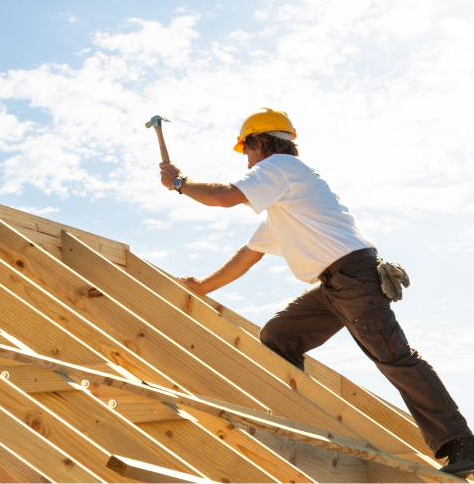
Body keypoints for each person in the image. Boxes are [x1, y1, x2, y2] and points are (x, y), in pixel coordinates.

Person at [158, 107, 474, 477]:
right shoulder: (287, 200)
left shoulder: (280, 170)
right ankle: (302, 417)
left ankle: (462, 443)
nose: (246, 161)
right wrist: (202, 287)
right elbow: (248, 256)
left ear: (260, 144)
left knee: (394, 359)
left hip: (352, 278)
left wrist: (180, 182)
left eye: (246, 150)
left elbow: (225, 197)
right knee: (279, 335)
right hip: (337, 284)